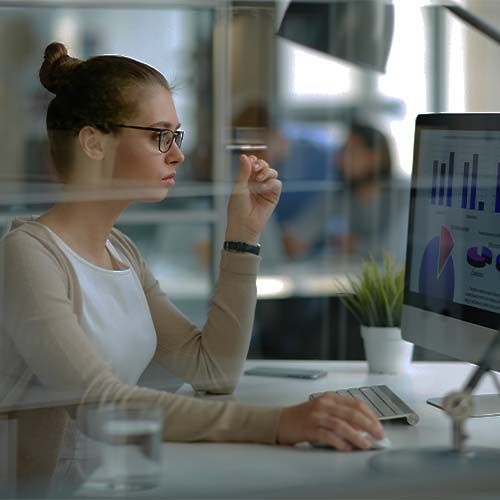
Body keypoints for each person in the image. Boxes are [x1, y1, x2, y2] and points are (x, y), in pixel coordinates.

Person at [0, 43, 383, 494]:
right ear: (93, 143)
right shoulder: (27, 256)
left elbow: (213, 371)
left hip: (113, 485)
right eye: (159, 135)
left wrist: (242, 236)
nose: (176, 154)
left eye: (176, 136)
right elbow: (101, 403)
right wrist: (279, 422)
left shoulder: (120, 251)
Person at [281, 122, 409, 263]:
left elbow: (393, 251)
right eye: (342, 151)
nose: (340, 159)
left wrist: (353, 244)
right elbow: (295, 241)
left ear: (375, 157)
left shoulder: (403, 194)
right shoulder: (340, 195)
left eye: (351, 151)